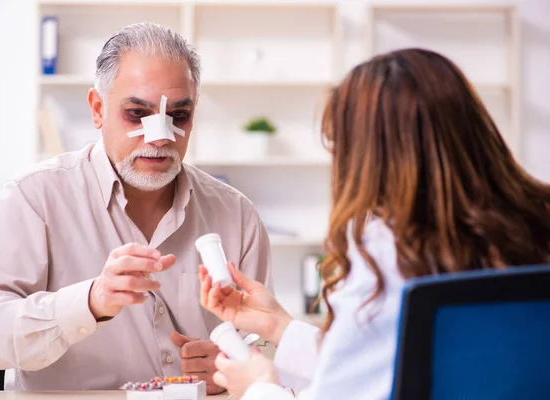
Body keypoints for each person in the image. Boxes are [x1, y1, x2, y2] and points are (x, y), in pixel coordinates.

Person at [198, 48, 550, 400]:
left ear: (365, 159)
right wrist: (277, 326)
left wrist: (258, 387)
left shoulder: (386, 254)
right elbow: (391, 367)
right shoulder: (531, 225)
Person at [0, 22, 272, 393]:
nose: (160, 137)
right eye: (138, 114)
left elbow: (264, 345)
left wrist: (233, 368)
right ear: (97, 109)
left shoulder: (238, 217)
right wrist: (87, 302)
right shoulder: (32, 200)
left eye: (179, 116)